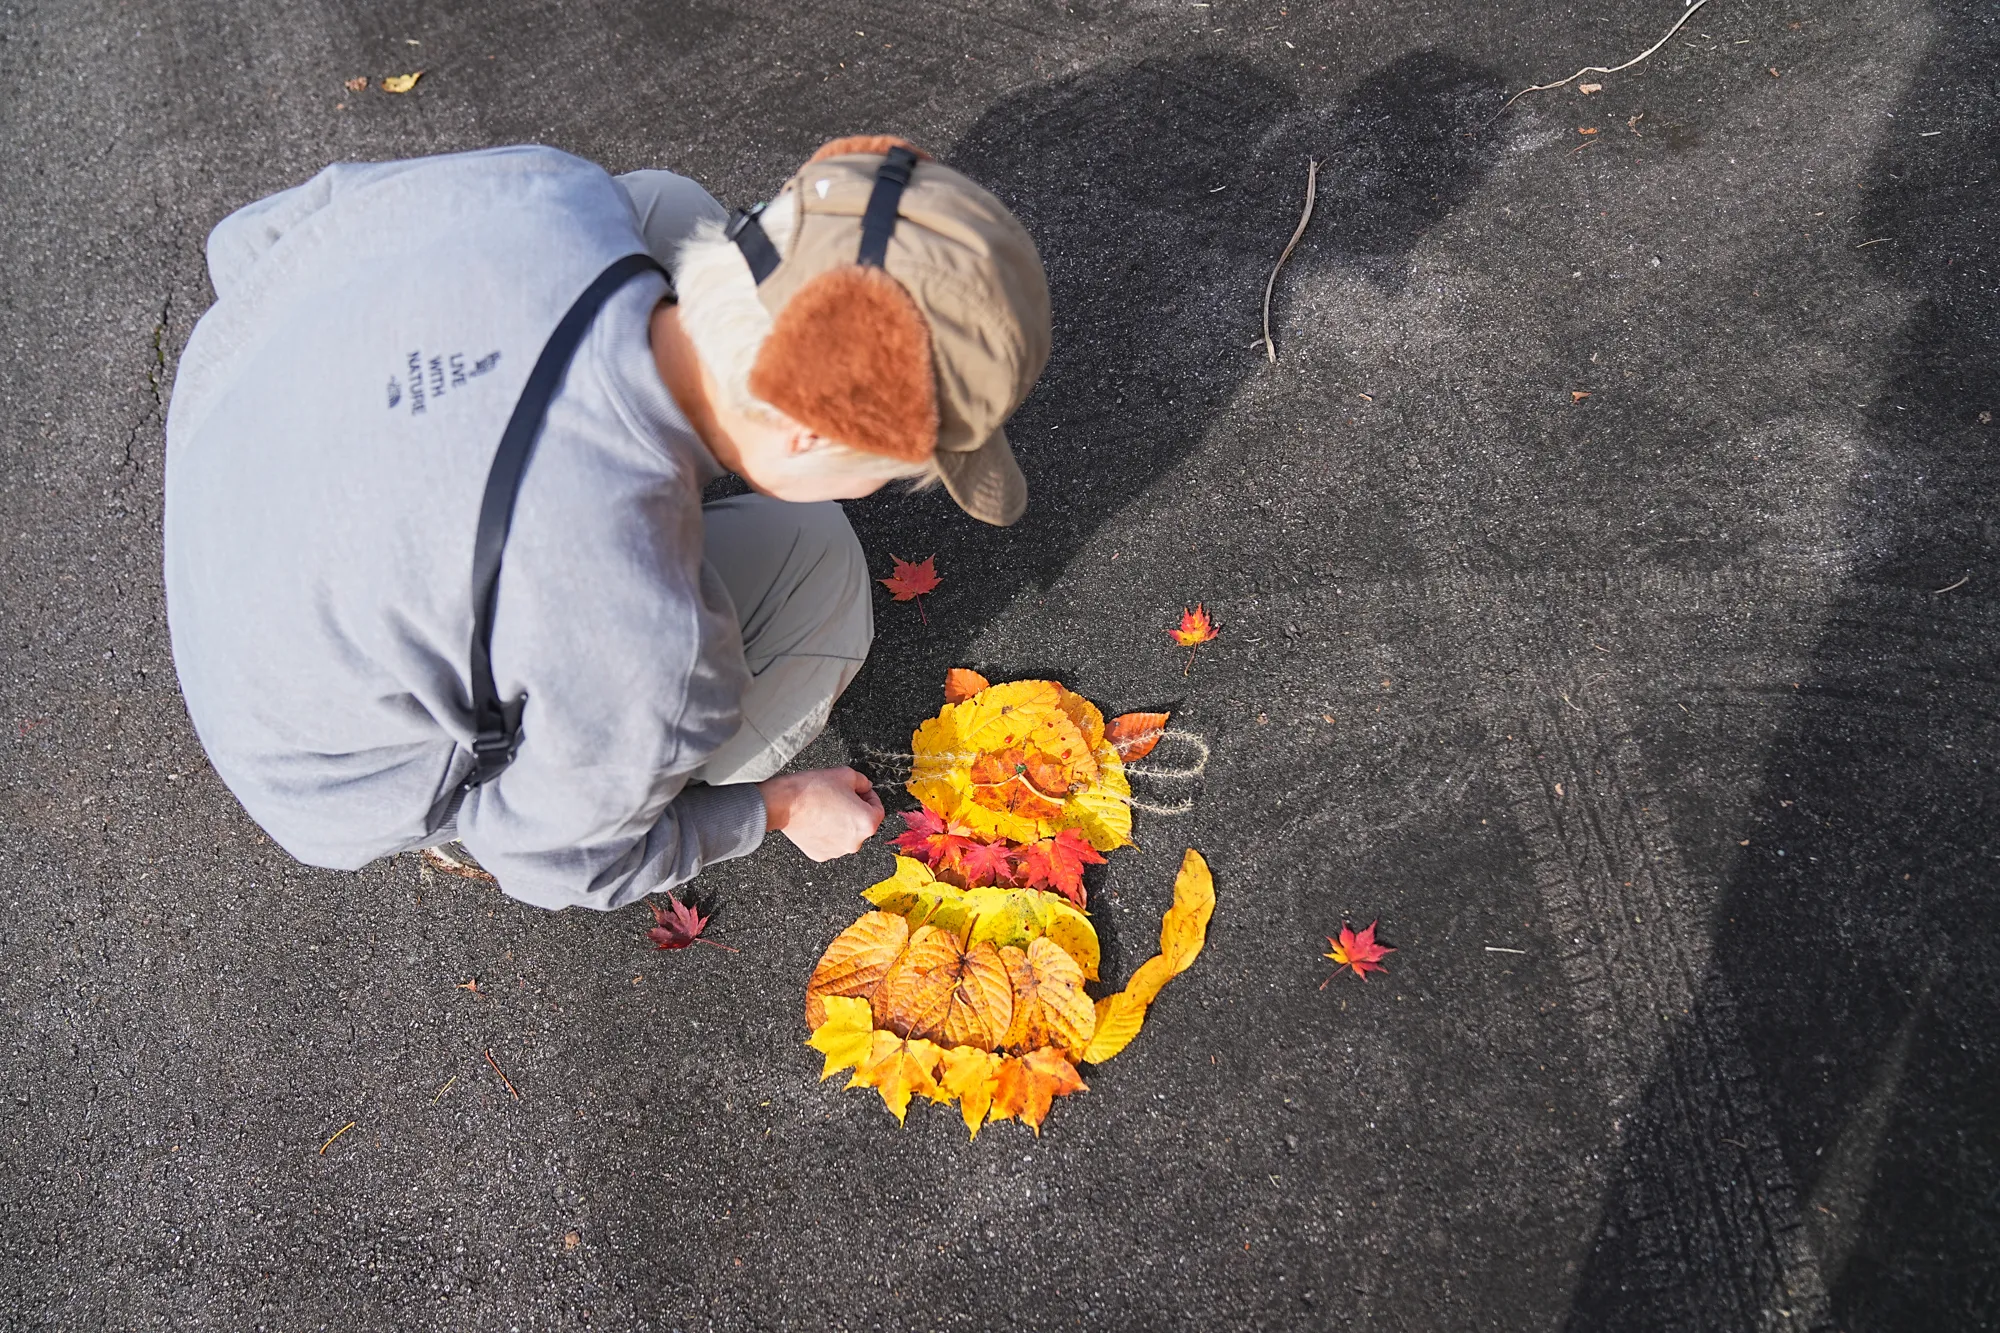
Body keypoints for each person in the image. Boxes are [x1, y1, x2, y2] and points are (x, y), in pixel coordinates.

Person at [162, 136, 1051, 910]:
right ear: (808, 429)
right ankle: (493, 790)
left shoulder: (551, 191)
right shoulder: (649, 648)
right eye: (887, 470)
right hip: (322, 760)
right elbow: (550, 864)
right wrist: (774, 806)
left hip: (235, 448)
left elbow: (253, 241)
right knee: (819, 567)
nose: (876, 488)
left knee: (665, 206)